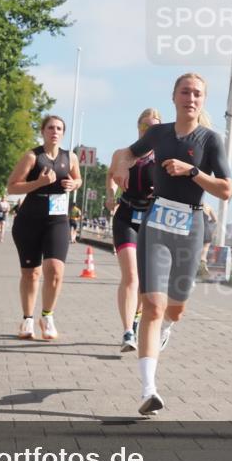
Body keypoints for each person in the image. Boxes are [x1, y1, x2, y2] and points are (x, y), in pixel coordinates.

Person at [110, 74, 231, 415]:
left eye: (197, 93)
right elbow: (127, 153)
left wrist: (192, 172)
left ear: (203, 100)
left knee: (175, 309)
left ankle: (167, 329)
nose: (190, 98)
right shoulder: (158, 133)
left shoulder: (210, 140)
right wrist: (120, 167)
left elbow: (225, 190)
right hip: (157, 222)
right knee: (152, 305)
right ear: (174, 96)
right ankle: (149, 390)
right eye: (185, 92)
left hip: (190, 226)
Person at [7, 115, 81, 341]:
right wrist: (38, 183)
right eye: (50, 127)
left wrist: (74, 184)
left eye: (59, 128)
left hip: (57, 220)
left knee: (56, 271)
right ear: (43, 131)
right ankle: (27, 319)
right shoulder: (32, 156)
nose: (55, 131)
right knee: (31, 273)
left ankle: (47, 316)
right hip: (29, 220)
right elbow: (11, 187)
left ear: (63, 133)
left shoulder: (71, 158)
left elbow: (78, 180)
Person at [106, 108, 161, 353]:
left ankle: (137, 321)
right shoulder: (122, 154)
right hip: (126, 215)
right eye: (145, 127)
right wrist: (110, 195)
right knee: (131, 276)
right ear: (138, 128)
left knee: (143, 281)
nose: (148, 131)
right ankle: (128, 331)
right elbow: (110, 174)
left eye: (154, 128)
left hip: (151, 217)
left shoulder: (162, 157)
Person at [197, 203, 218, 280]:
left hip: (196, 230)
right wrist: (209, 222)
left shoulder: (196, 203)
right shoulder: (208, 206)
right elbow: (215, 219)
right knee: (204, 251)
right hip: (206, 230)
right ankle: (203, 263)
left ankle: (194, 270)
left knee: (193, 251)